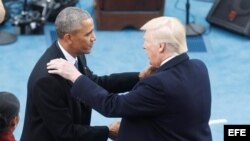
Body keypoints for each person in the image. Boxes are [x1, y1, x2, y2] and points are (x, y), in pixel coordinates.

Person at [47, 16, 213, 141]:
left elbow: (112, 106)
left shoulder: (159, 83)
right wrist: (141, 76)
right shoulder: (199, 67)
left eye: (146, 41)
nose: (144, 46)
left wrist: (75, 76)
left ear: (161, 46)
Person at [20, 7, 152, 141]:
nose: (94, 38)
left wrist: (138, 77)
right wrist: (107, 132)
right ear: (69, 38)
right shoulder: (46, 81)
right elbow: (65, 133)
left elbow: (93, 84)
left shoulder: (76, 53)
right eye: (87, 34)